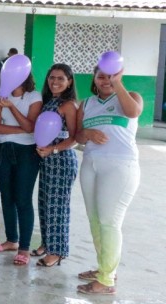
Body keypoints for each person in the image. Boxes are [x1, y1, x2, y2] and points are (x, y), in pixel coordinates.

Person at [75, 66, 142, 295]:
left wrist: (118, 84)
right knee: (95, 221)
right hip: (91, 164)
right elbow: (78, 135)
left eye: (111, 76)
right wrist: (89, 135)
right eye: (101, 76)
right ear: (94, 78)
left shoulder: (131, 97)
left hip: (120, 166)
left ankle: (106, 280)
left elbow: (133, 113)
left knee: (109, 221)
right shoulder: (86, 104)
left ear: (119, 76)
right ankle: (105, 269)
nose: (106, 80)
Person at [0, 72, 42, 266]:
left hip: (26, 152)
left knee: (23, 198)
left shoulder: (33, 96)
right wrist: (21, 129)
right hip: (3, 149)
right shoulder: (0, 96)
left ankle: (24, 248)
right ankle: (12, 240)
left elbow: (31, 126)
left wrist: (11, 108)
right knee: (7, 197)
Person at [33, 63, 79, 267]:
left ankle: (58, 251)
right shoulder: (48, 101)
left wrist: (53, 150)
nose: (55, 82)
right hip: (46, 160)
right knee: (44, 203)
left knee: (57, 206)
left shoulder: (69, 105)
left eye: (60, 78)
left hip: (61, 161)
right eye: (52, 77)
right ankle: (46, 243)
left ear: (69, 82)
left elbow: (75, 138)